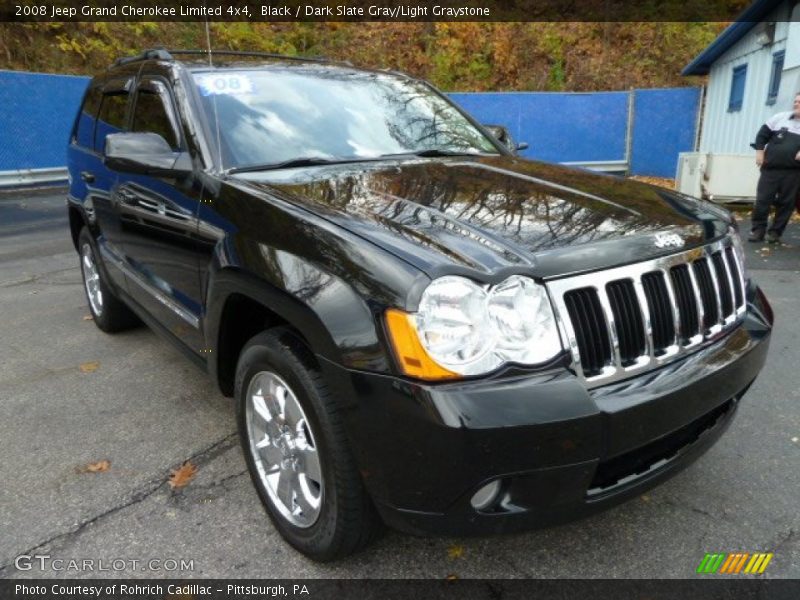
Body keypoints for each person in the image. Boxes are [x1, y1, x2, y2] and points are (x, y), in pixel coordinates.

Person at [750, 93, 800, 243]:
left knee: (786, 204)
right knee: (762, 201)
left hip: (794, 173)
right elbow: (762, 135)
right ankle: (758, 231)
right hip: (770, 170)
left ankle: (775, 233)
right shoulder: (779, 118)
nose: (796, 104)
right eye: (795, 101)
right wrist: (759, 152)